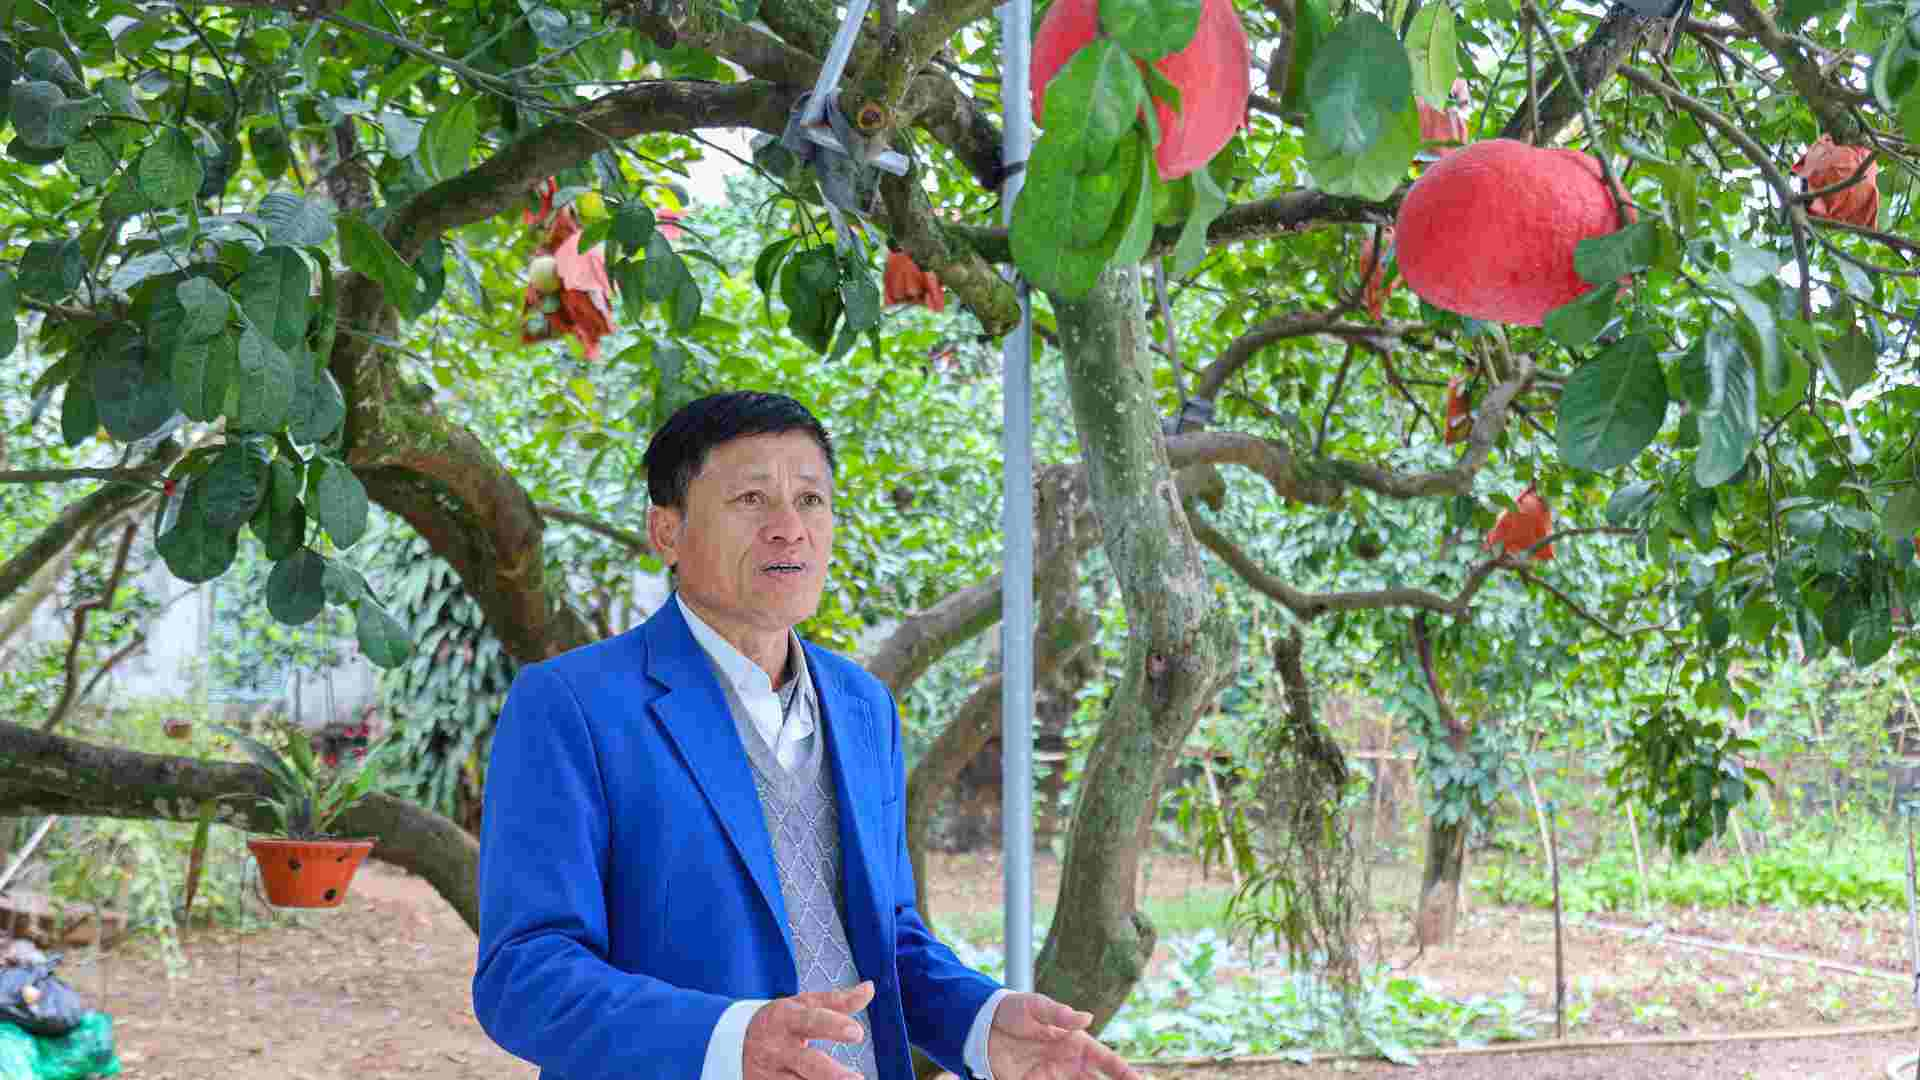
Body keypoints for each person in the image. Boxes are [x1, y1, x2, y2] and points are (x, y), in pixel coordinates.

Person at [473, 391, 1138, 1080]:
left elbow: (888, 936)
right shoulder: (573, 706)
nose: (789, 528)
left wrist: (980, 1023)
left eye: (811, 500)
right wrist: (730, 1040)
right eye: (751, 499)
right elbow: (525, 977)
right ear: (666, 532)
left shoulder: (862, 705)